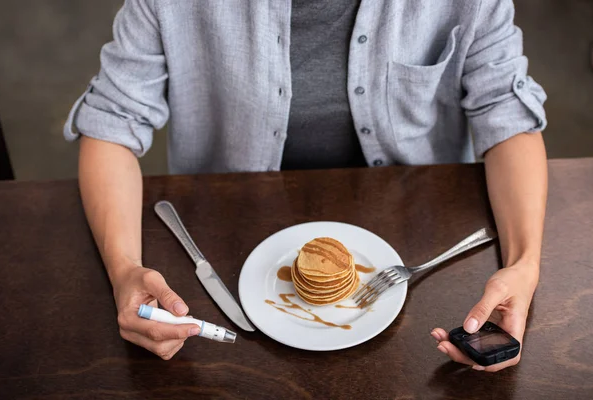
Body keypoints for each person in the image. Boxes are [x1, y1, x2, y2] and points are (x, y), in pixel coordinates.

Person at [64, 0, 547, 370]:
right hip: (226, 246)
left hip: (422, 269)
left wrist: (524, 263)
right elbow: (111, 124)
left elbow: (506, 115)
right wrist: (125, 269)